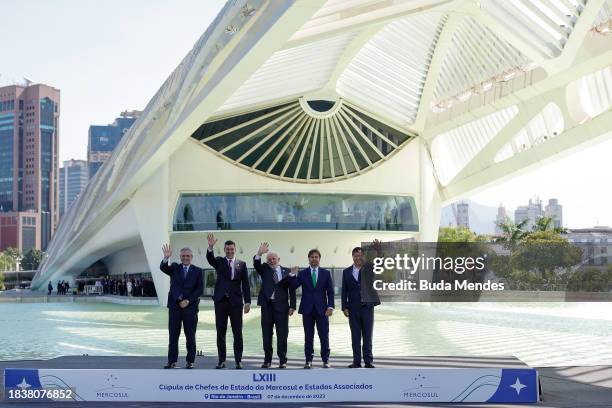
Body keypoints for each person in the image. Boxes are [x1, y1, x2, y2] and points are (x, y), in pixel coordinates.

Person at [206, 233, 250, 369]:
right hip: (220, 301)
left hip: (236, 303)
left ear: (235, 249)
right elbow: (210, 258)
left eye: (232, 249)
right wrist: (210, 247)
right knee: (221, 332)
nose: (230, 251)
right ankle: (222, 360)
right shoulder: (219, 261)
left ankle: (238, 360)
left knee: (238, 332)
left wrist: (247, 301)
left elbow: (246, 284)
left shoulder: (242, 264)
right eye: (227, 249)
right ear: (224, 249)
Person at [160, 244, 204, 369]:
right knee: (173, 335)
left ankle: (190, 361)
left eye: (188, 256)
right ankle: (172, 361)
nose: (185, 258)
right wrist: (165, 258)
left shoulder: (198, 271)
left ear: (192, 257)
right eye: (183, 256)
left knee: (190, 335)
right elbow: (163, 268)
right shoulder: (174, 267)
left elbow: (199, 289)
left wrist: (188, 301)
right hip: (175, 307)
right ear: (180, 257)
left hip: (190, 308)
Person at [289, 249, 334, 369]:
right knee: (308, 336)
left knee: (324, 335)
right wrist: (293, 274)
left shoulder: (326, 273)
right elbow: (293, 286)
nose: (314, 259)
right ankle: (308, 360)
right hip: (307, 309)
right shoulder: (302, 274)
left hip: (322, 310)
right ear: (308, 259)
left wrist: (330, 307)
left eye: (316, 257)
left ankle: (326, 360)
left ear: (319, 259)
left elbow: (330, 292)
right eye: (312, 257)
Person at [253, 242, 296, 369]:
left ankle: (282, 360)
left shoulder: (287, 271)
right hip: (267, 307)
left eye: (274, 259)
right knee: (266, 335)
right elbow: (256, 264)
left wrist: (292, 305)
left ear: (279, 259)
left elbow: (292, 289)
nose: (272, 261)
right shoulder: (264, 269)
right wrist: (259, 253)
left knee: (282, 334)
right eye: (269, 259)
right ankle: (267, 360)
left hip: (282, 307)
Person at [341, 247, 380, 368]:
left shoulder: (369, 268)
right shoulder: (346, 272)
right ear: (352, 257)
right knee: (355, 336)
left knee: (368, 336)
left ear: (363, 256)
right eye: (355, 256)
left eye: (360, 255)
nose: (358, 258)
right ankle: (356, 361)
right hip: (353, 308)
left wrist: (378, 250)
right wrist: (344, 307)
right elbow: (344, 291)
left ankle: (368, 361)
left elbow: (380, 263)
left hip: (367, 307)